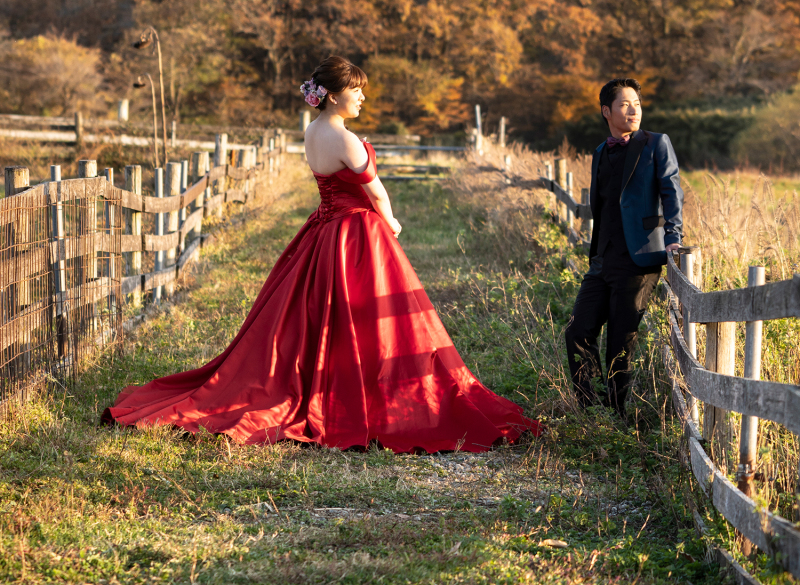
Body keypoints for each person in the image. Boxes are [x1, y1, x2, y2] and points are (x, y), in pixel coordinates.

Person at [104, 55, 538, 452]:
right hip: (355, 231)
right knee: (373, 317)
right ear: (332, 95)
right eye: (357, 91)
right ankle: (366, 391)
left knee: (322, 317)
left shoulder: (313, 131)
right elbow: (377, 195)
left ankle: (330, 380)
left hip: (324, 228)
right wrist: (392, 224)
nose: (363, 97)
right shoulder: (344, 139)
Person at [564, 77, 683, 415]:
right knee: (577, 331)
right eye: (624, 104)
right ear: (607, 111)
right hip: (602, 260)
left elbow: (672, 192)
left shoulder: (656, 144)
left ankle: (615, 414)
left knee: (620, 342)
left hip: (640, 258)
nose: (633, 110)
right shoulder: (601, 152)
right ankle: (590, 409)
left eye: (637, 104)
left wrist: (674, 237)